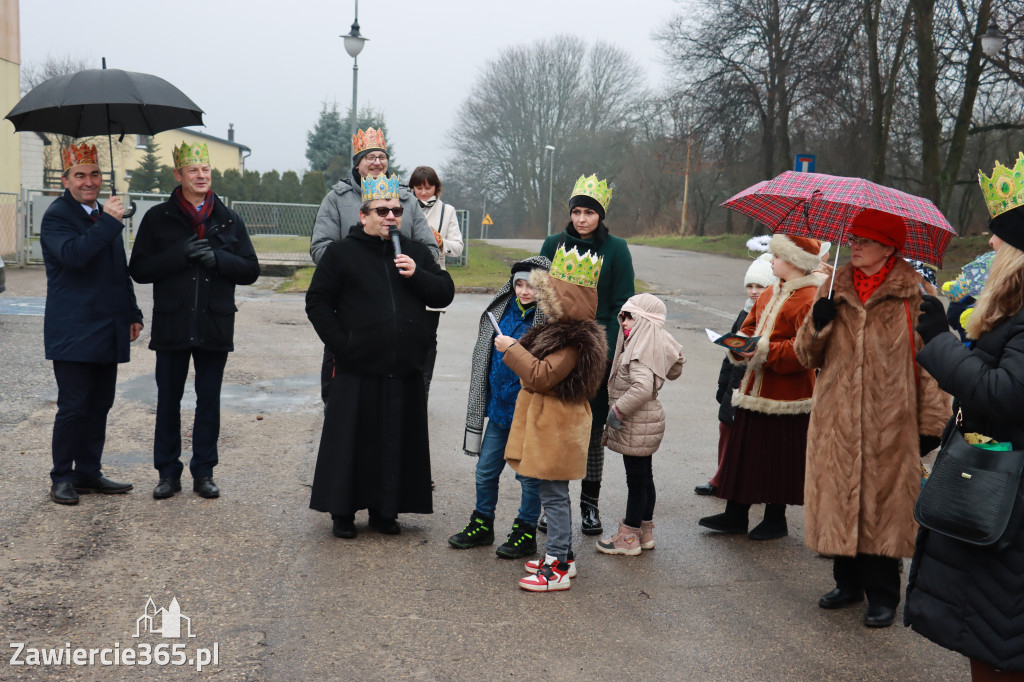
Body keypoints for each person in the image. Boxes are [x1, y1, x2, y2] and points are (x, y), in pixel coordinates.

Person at [794, 208, 949, 628]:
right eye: (854, 239)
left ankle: (883, 595)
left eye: (865, 240)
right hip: (837, 419)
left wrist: (932, 424)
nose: (855, 245)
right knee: (840, 500)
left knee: (883, 509)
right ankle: (846, 583)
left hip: (890, 422)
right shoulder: (833, 287)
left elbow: (933, 366)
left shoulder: (916, 296)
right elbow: (806, 355)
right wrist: (817, 325)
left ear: (889, 248)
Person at [905, 160, 1024, 679]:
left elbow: (1005, 394)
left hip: (1010, 496)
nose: (989, 245)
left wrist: (941, 346)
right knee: (990, 636)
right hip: (1001, 491)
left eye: (998, 236)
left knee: (999, 646)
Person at [305, 173, 454, 538]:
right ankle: (342, 513)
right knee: (352, 443)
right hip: (358, 367)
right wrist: (343, 344)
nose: (391, 217)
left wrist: (417, 275)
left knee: (394, 441)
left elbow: (443, 293)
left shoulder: (415, 253)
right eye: (383, 211)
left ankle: (385, 512)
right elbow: (317, 302)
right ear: (364, 215)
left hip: (402, 369)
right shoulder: (342, 254)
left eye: (397, 211)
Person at [129, 141, 260, 500]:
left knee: (209, 400)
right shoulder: (158, 218)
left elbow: (251, 269)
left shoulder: (229, 219)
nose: (202, 176)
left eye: (206, 171)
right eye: (193, 171)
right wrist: (179, 255)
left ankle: (204, 471)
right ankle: (167, 473)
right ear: (178, 175)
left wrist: (219, 259)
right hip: (173, 323)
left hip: (214, 323)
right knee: (168, 400)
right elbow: (139, 269)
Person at [698, 235, 822, 540]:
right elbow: (750, 327)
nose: (772, 261)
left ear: (793, 262)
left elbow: (803, 351)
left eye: (776, 256)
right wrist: (739, 344)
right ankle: (735, 514)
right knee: (747, 452)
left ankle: (775, 519)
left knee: (778, 457)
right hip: (753, 388)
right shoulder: (769, 292)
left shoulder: (810, 299)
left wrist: (763, 350)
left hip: (787, 393)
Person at [500, 245, 607, 591]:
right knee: (551, 492)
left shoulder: (573, 342)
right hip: (550, 424)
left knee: (555, 496)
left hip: (558, 428)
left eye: (554, 296)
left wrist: (511, 349)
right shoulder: (562, 332)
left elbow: (542, 375)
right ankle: (563, 556)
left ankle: (558, 564)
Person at [40, 142, 142, 505]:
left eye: (94, 174)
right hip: (74, 328)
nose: (89, 181)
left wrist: (132, 312)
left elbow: (118, 270)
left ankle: (88, 471)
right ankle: (61, 477)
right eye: (80, 175)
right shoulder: (57, 216)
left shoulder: (104, 214)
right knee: (74, 405)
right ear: (66, 180)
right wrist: (111, 223)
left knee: (100, 403)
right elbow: (75, 256)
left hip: (108, 326)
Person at [309, 127, 437, 404]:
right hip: (351, 311)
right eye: (370, 157)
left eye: (382, 156)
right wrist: (354, 261)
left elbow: (429, 249)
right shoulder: (336, 199)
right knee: (343, 399)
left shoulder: (406, 200)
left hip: (400, 307)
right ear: (358, 162)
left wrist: (411, 266)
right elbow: (320, 248)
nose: (377, 162)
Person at [539, 174, 634, 536]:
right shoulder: (552, 244)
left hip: (598, 355)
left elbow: (621, 304)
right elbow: (541, 297)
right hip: (557, 350)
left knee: (593, 432)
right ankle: (553, 505)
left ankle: (589, 505)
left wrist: (598, 347)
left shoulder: (617, 249)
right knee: (559, 429)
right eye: (577, 211)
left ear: (600, 215)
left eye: (589, 213)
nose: (581, 219)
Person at [450, 256, 550, 559]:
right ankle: (482, 523)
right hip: (498, 410)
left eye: (531, 286)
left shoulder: (546, 321)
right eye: (519, 284)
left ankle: (525, 531)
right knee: (485, 471)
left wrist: (514, 348)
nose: (524, 291)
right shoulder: (502, 311)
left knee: (528, 477)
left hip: (527, 414)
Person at [596, 293, 684, 555]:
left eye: (630, 316)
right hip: (648, 421)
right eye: (623, 315)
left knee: (636, 482)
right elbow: (673, 370)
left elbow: (642, 387)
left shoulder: (639, 351)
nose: (623, 320)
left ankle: (629, 538)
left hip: (637, 422)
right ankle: (645, 533)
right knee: (645, 478)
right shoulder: (652, 343)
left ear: (645, 321)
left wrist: (617, 410)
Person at [696, 254, 776, 496]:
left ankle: (729, 480)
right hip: (734, 383)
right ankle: (721, 476)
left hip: (753, 385)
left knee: (746, 436)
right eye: (750, 286)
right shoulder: (744, 312)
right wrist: (722, 384)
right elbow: (729, 352)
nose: (753, 291)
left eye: (759, 286)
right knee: (725, 429)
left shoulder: (771, 315)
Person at [409, 166, 465, 397]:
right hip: (405, 278)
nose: (423, 192)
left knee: (428, 339)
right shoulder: (402, 206)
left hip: (432, 279)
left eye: (428, 187)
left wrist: (441, 243)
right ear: (412, 187)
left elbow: (458, 248)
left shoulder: (447, 211)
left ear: (436, 187)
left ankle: (423, 391)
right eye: (419, 187)